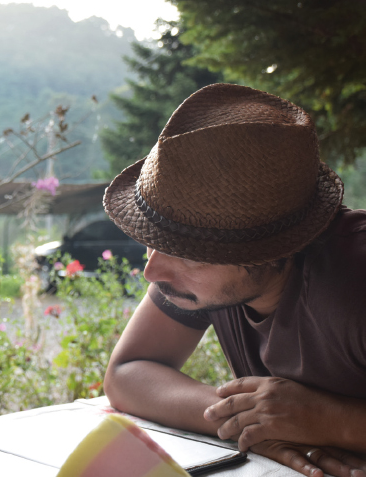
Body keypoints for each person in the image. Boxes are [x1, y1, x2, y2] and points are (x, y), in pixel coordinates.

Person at [102, 83, 366, 477]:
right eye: (153, 244)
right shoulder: (201, 281)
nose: (152, 272)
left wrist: (331, 420)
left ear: (272, 250)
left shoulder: (355, 281)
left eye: (186, 253)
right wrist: (252, 420)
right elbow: (129, 371)